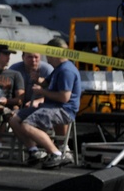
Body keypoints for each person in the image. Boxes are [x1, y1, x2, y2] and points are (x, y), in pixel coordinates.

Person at [7, 37, 81, 169]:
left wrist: (42, 91)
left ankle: (56, 153)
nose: (46, 57)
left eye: (47, 54)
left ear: (54, 53)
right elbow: (47, 83)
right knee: (14, 119)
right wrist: (38, 80)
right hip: (50, 106)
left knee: (27, 125)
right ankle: (34, 151)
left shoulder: (66, 71)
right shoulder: (58, 68)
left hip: (63, 109)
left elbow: (64, 97)